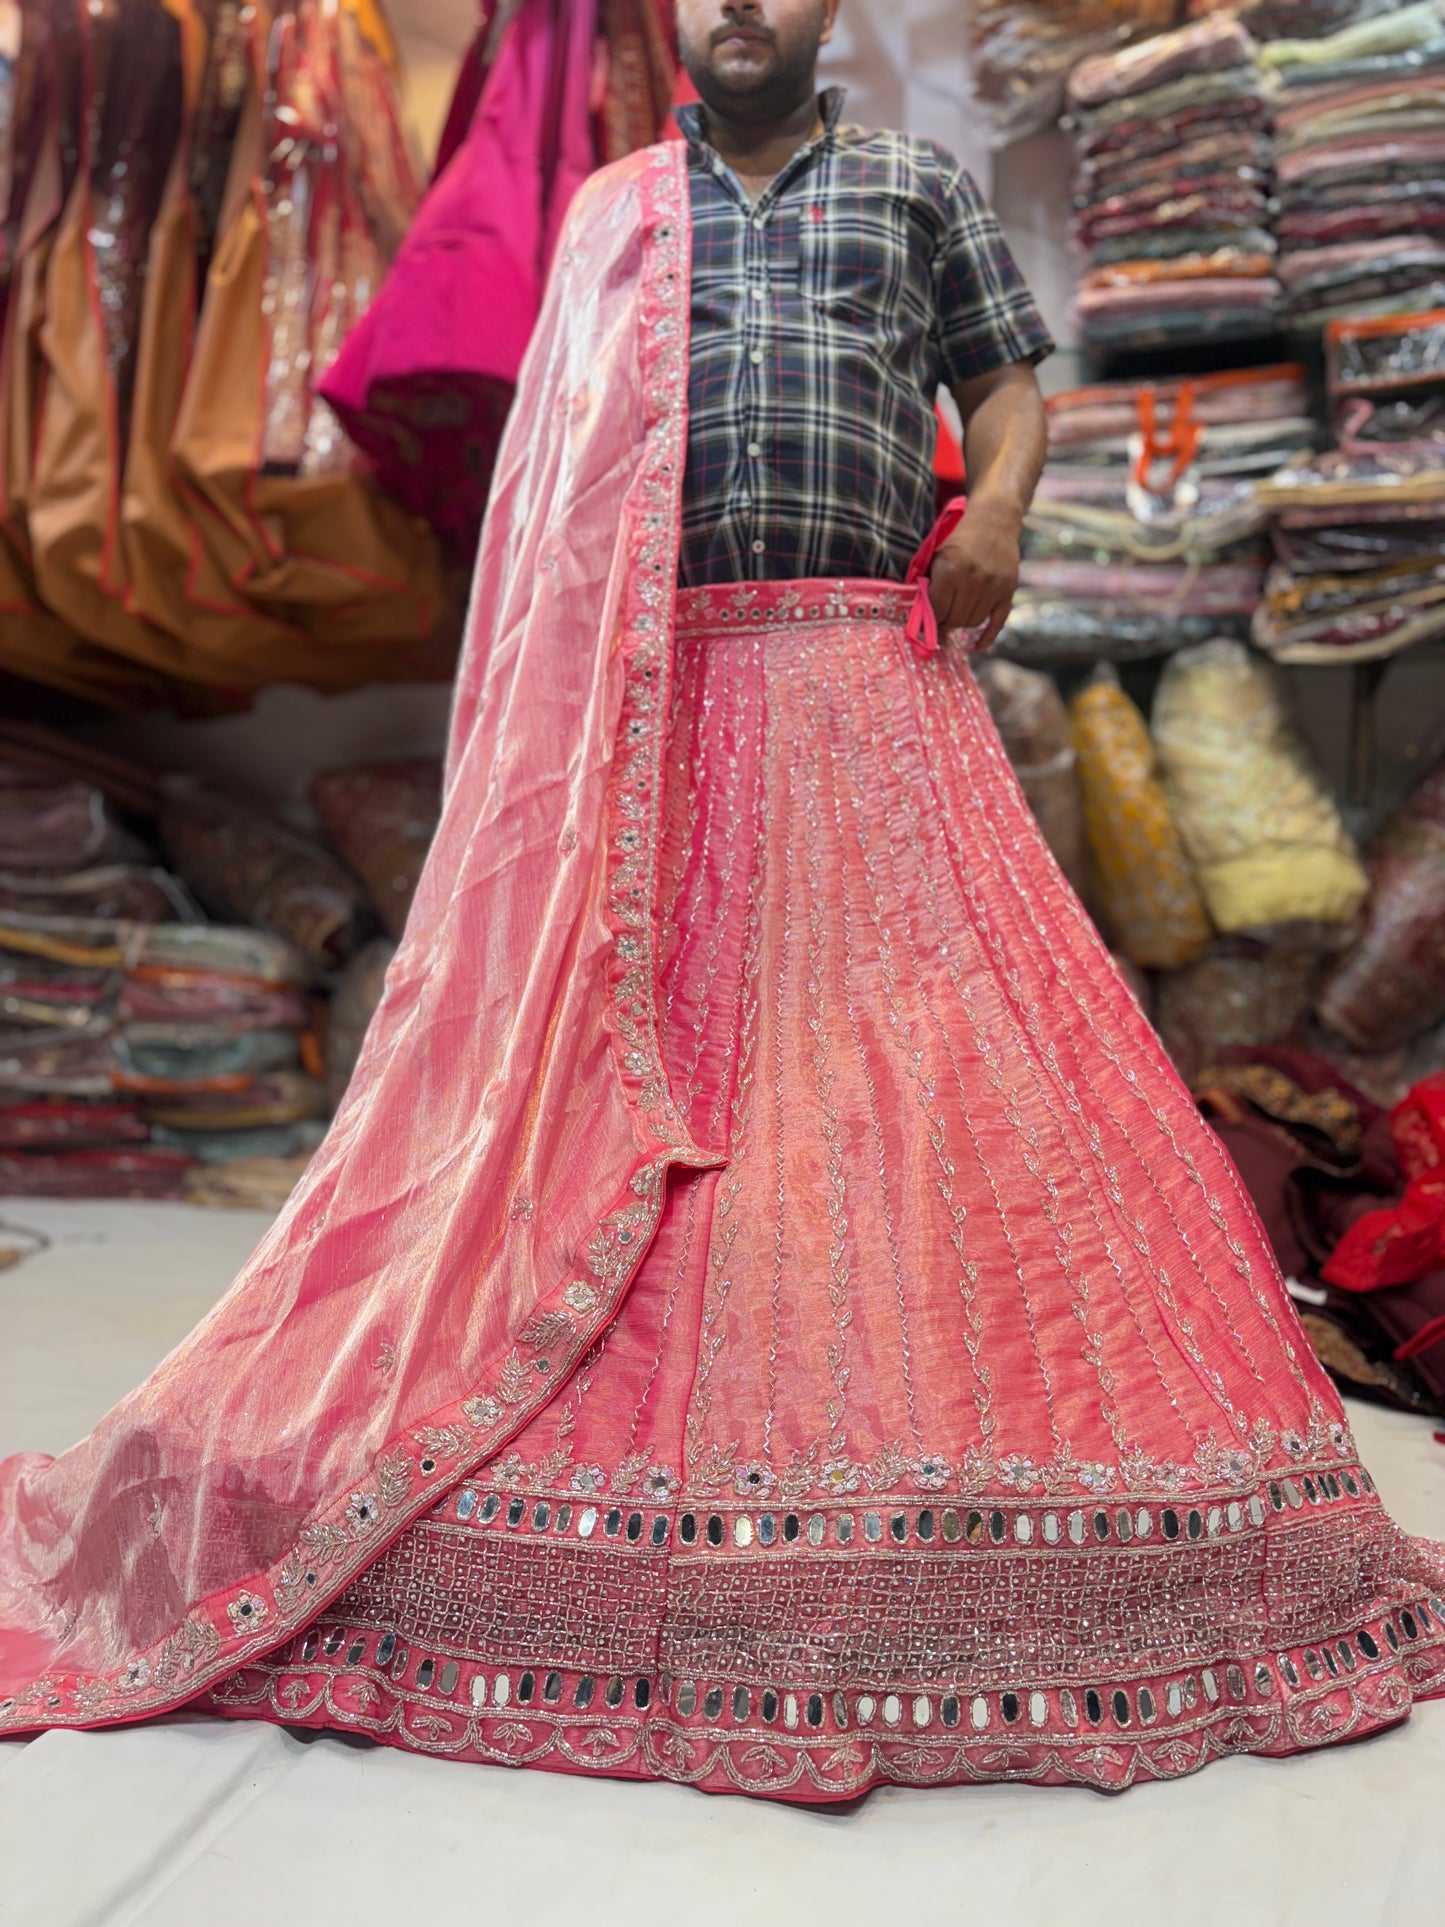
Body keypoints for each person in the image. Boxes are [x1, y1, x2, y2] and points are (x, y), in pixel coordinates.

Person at [1, 0, 1441, 1803]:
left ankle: (896, 1461)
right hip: (650, 715)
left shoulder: (915, 186)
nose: (738, 7)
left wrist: (991, 506)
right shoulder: (609, 212)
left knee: (917, 1072)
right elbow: (546, 502)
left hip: (865, 683)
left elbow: (1006, 378)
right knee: (650, 1067)